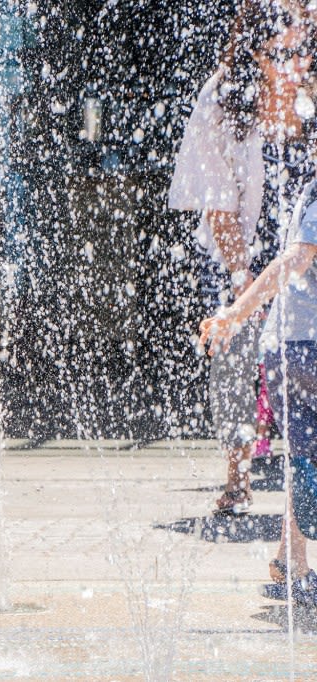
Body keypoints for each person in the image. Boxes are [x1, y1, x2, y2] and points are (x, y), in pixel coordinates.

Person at [168, 1, 315, 514]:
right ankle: (238, 475)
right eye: (286, 52)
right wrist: (239, 275)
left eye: (304, 49)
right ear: (256, 54)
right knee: (234, 357)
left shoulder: (309, 95)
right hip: (241, 248)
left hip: (304, 244)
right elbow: (217, 202)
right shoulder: (222, 99)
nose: (299, 62)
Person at [199, 178, 317, 604]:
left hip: (291, 346)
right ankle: (294, 563)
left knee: (306, 459)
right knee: (308, 464)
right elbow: (298, 257)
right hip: (306, 347)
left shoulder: (309, 187)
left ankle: (291, 561)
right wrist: (234, 313)